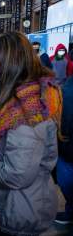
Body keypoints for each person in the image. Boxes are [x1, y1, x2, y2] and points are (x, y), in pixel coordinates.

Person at [0, 31, 61, 236]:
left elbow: (16, 175)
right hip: (13, 205)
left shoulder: (26, 112)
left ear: (9, 65)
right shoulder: (9, 102)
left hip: (20, 214)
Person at [55, 75, 73, 225]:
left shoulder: (65, 90)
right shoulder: (65, 89)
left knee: (66, 182)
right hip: (67, 151)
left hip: (67, 152)